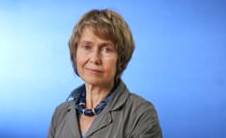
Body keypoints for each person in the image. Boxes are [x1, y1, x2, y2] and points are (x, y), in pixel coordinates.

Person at [48, 9, 162, 138]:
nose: (95, 58)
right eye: (87, 47)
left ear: (121, 59)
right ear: (75, 54)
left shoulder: (141, 114)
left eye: (106, 49)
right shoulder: (60, 113)